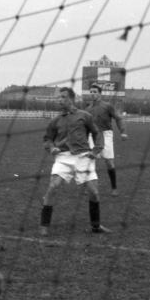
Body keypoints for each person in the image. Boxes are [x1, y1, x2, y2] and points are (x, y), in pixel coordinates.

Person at [40, 87, 111, 236]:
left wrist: (95, 150)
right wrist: (52, 148)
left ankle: (96, 226)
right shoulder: (55, 120)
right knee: (53, 187)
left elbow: (97, 133)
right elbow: (47, 139)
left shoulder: (84, 116)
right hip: (63, 158)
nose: (60, 100)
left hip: (83, 157)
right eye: (58, 98)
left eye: (63, 97)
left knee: (94, 193)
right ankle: (44, 225)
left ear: (71, 99)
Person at [84, 84, 128, 197]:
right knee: (90, 161)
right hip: (92, 136)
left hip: (106, 135)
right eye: (91, 92)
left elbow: (118, 118)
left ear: (100, 93)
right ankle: (90, 186)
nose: (93, 94)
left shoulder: (107, 106)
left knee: (109, 162)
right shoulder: (87, 109)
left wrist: (123, 132)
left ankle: (114, 188)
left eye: (95, 92)